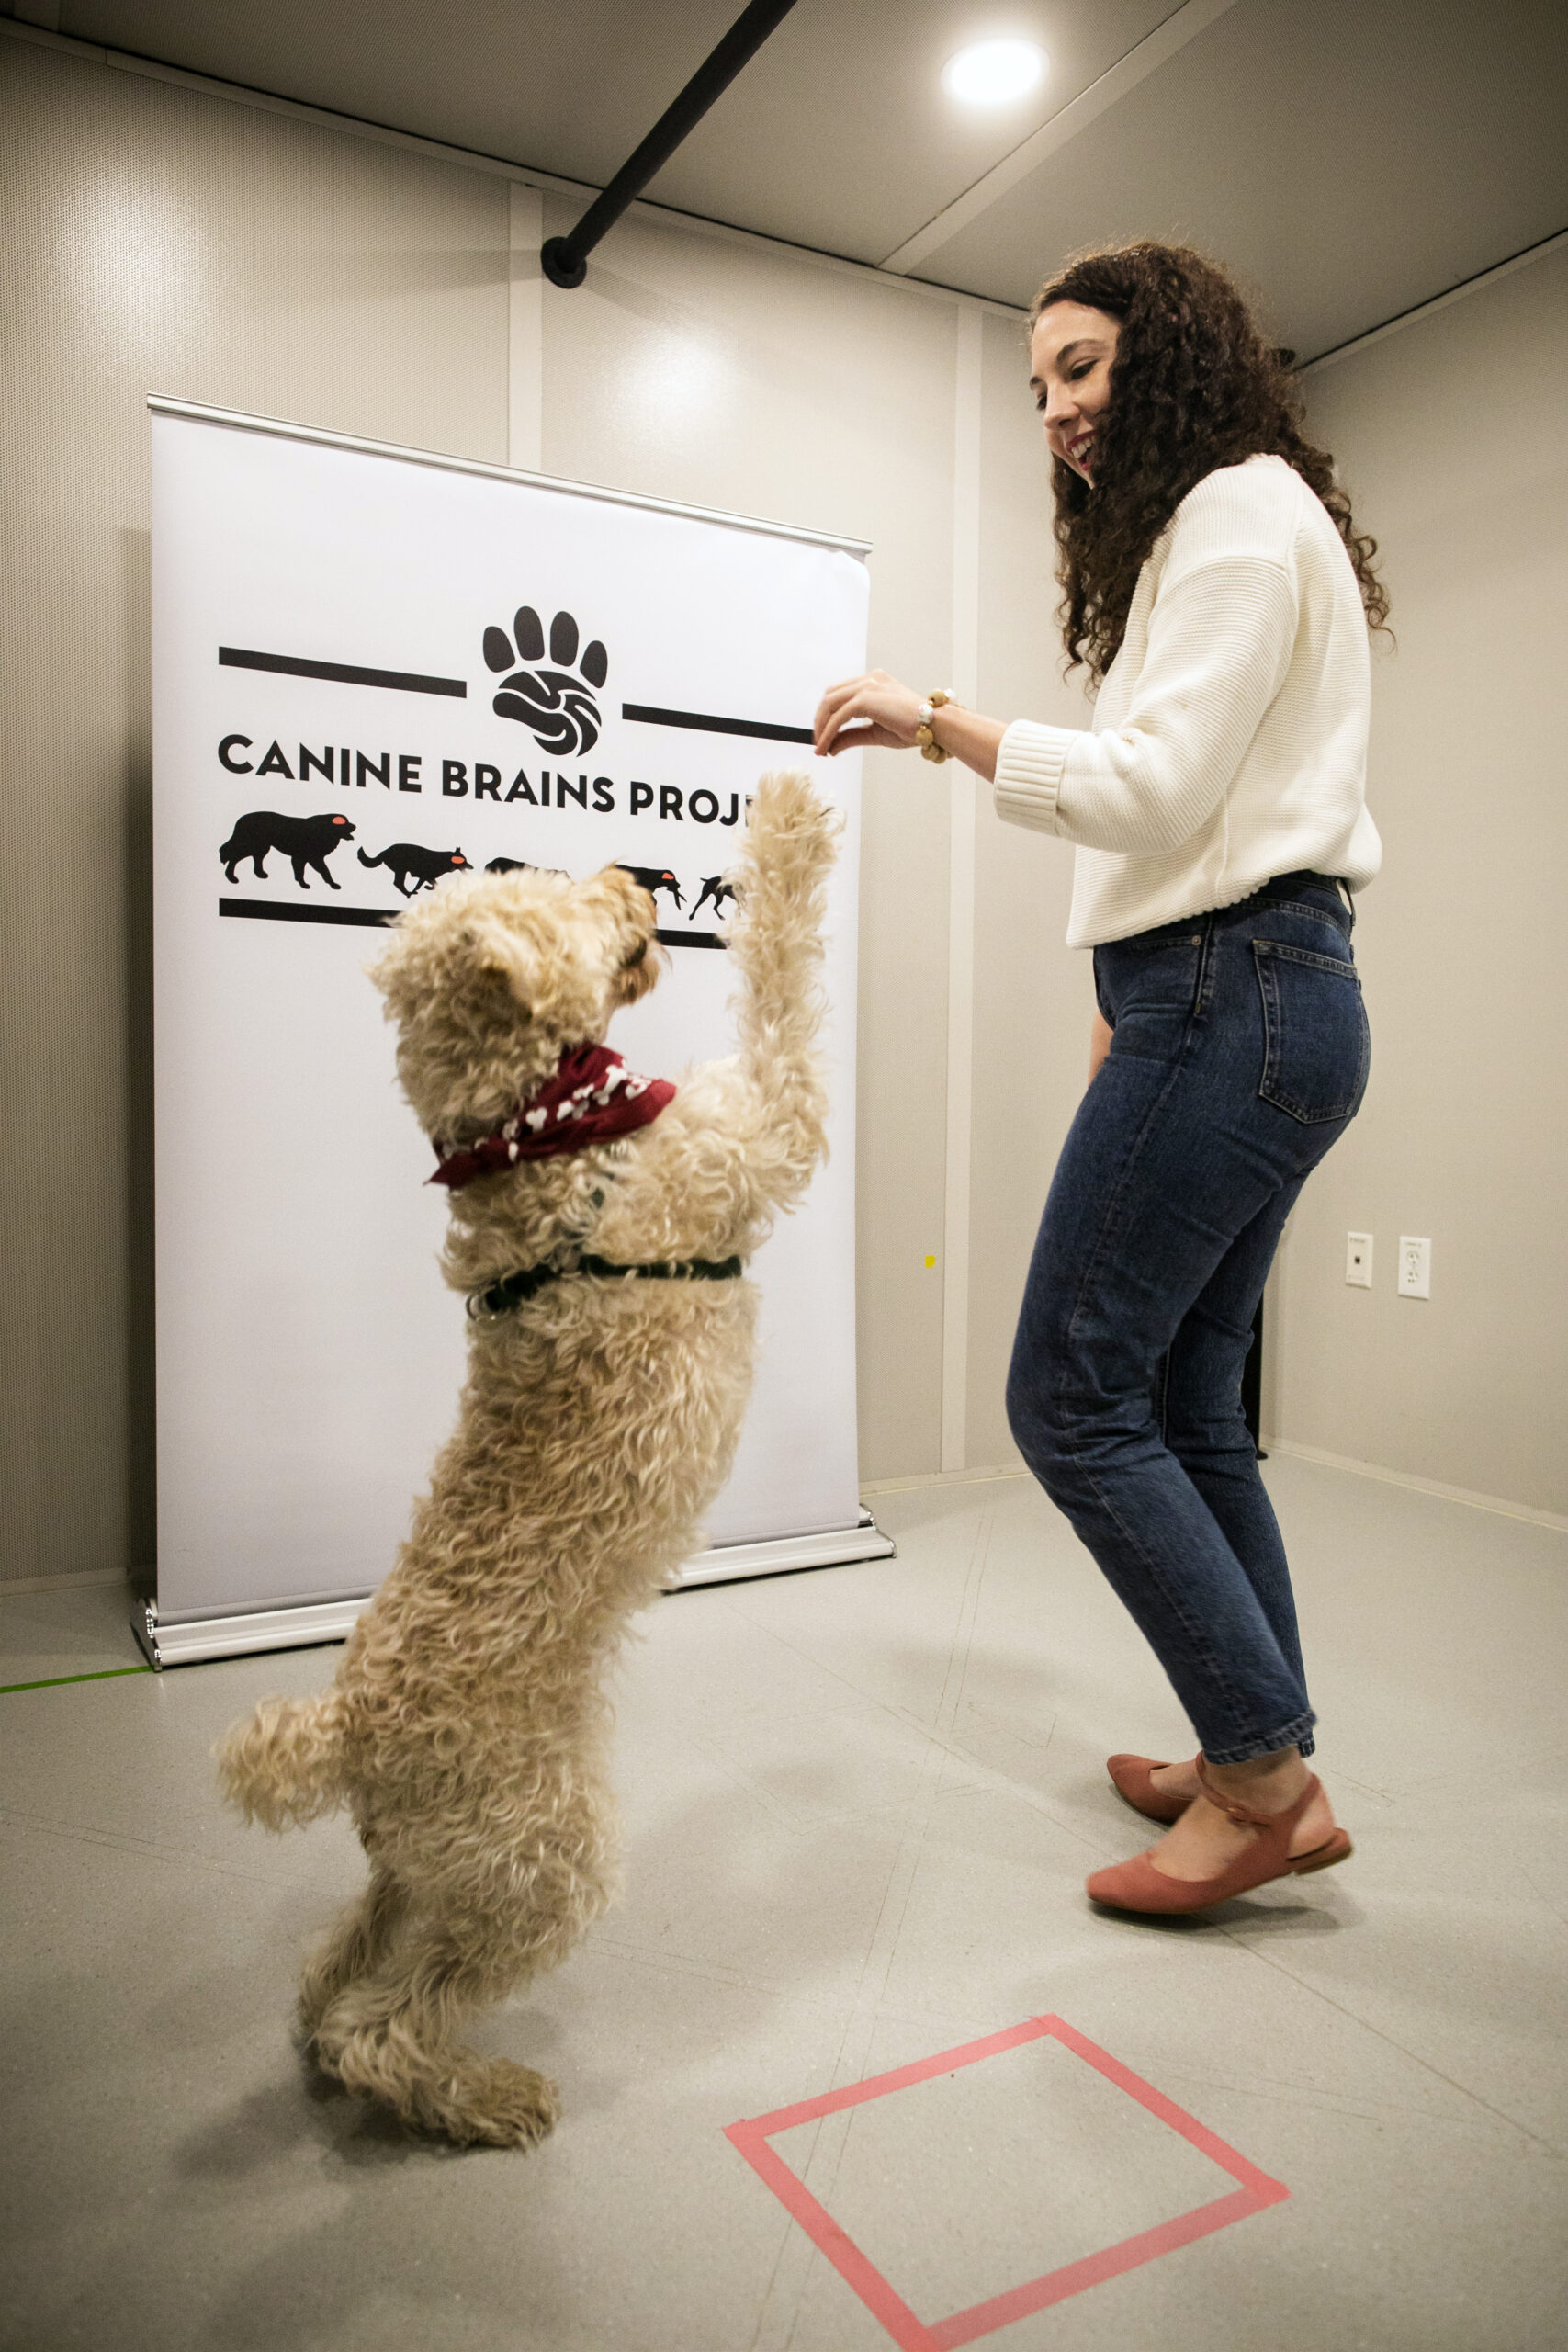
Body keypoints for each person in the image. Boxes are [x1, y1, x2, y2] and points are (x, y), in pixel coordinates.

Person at [813, 242, 1386, 1916]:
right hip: (1245, 993)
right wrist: (1125, 996)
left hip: (1235, 993)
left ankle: (1262, 1784)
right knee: (1193, 1408)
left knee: (1070, 1395)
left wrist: (939, 723)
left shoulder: (1232, 510)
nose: (1057, 409)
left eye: (1082, 367)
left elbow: (1147, 787)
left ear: (1175, 357)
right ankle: (1258, 1750)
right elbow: (1195, 820)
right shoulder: (1248, 520)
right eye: (1040, 384)